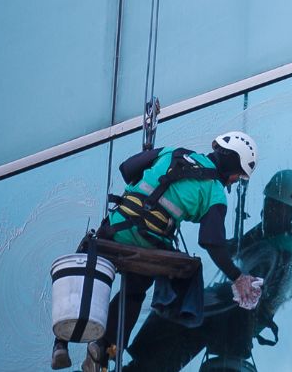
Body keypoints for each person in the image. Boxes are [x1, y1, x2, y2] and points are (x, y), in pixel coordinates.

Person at [63, 132, 262, 372]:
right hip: (148, 242)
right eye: (237, 175)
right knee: (134, 292)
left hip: (114, 229)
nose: (233, 181)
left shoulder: (172, 152)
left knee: (96, 276)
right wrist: (238, 277)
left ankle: (63, 341)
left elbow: (127, 168)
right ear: (232, 165)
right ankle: (105, 348)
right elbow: (212, 241)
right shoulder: (215, 192)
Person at [123, 170, 292, 372]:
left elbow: (264, 288)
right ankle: (146, 365)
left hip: (244, 311)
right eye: (268, 203)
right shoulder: (269, 231)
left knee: (182, 308)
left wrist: (227, 286)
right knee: (181, 314)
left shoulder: (289, 247)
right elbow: (238, 246)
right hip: (237, 304)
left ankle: (144, 365)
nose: (269, 210)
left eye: (276, 206)